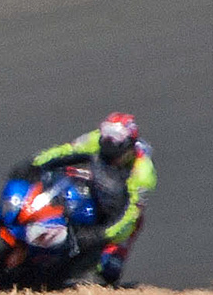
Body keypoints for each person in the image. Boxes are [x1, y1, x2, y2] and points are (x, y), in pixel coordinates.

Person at [24, 112, 154, 284]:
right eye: (105, 134)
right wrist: (35, 163)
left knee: (107, 271)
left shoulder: (142, 172)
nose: (108, 142)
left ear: (129, 142)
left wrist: (103, 234)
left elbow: (131, 214)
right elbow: (67, 150)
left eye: (115, 137)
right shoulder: (96, 140)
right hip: (93, 195)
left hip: (117, 218)